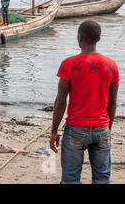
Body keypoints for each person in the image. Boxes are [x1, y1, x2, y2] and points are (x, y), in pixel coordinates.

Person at [50, 20, 119, 184]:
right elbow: (113, 103)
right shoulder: (111, 66)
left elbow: (61, 102)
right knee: (102, 178)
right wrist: (107, 129)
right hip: (101, 128)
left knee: (71, 178)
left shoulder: (69, 64)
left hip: (75, 129)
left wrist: (54, 130)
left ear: (79, 38)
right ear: (99, 38)